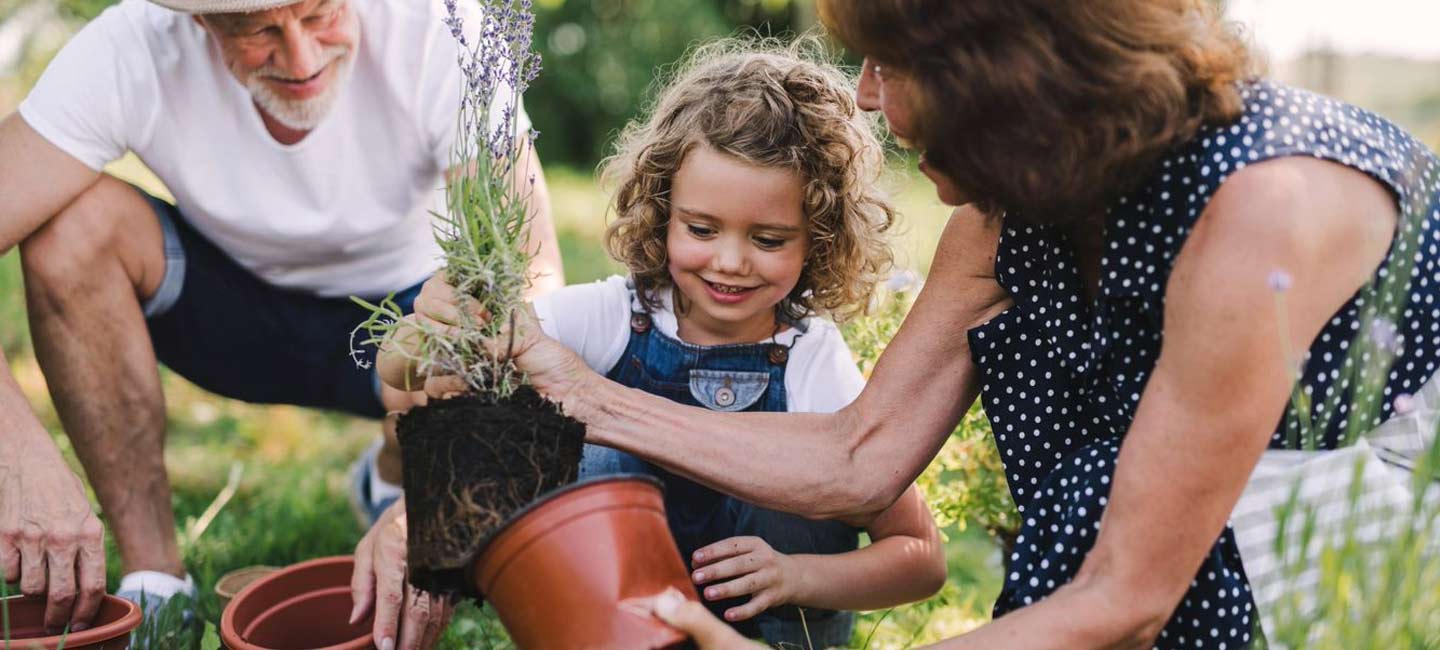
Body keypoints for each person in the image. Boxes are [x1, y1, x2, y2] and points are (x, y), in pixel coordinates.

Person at [397, 1, 1440, 648]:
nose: (863, 93)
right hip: (1167, 533)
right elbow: (861, 454)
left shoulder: (1260, 213)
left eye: (889, 63)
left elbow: (1126, 595)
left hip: (1367, 521)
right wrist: (560, 389)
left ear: (1002, 71)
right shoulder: (1008, 210)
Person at [353, 40, 948, 649]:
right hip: (617, 625)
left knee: (805, 476)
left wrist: (800, 575)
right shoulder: (615, 316)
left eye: (768, 239)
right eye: (701, 229)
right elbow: (404, 372)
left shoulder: (811, 362)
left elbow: (921, 556)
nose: (730, 261)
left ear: (818, 238)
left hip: (766, 635)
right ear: (662, 211)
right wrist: (428, 324)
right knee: (590, 456)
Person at [0, 0, 561, 635]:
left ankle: (394, 470)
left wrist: (429, 501)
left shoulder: (442, 28)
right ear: (199, 22)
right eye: (260, 30)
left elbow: (534, 286)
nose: (301, 59)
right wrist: (16, 450)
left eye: (321, 14)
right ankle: (156, 581)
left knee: (489, 324)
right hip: (229, 314)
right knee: (70, 230)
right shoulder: (128, 47)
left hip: (403, 327)